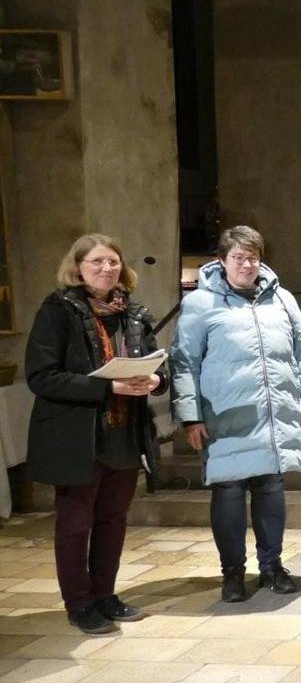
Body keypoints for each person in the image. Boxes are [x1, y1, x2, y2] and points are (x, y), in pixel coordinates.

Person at [171, 226, 301, 602]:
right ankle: (233, 575)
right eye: (238, 257)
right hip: (226, 416)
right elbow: (184, 362)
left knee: (271, 489)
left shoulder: (283, 299)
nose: (246, 264)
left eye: (253, 257)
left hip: (274, 415)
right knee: (228, 491)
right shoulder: (200, 304)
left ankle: (272, 567)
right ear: (222, 261)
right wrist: (190, 416)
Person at [27, 234, 166, 633]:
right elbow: (43, 376)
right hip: (78, 436)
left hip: (125, 432)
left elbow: (159, 367)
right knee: (74, 524)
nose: (107, 269)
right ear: (78, 268)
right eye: (97, 263)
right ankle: (79, 602)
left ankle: (105, 594)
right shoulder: (58, 310)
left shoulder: (133, 313)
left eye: (113, 262)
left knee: (113, 519)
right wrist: (108, 386)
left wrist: (154, 380)